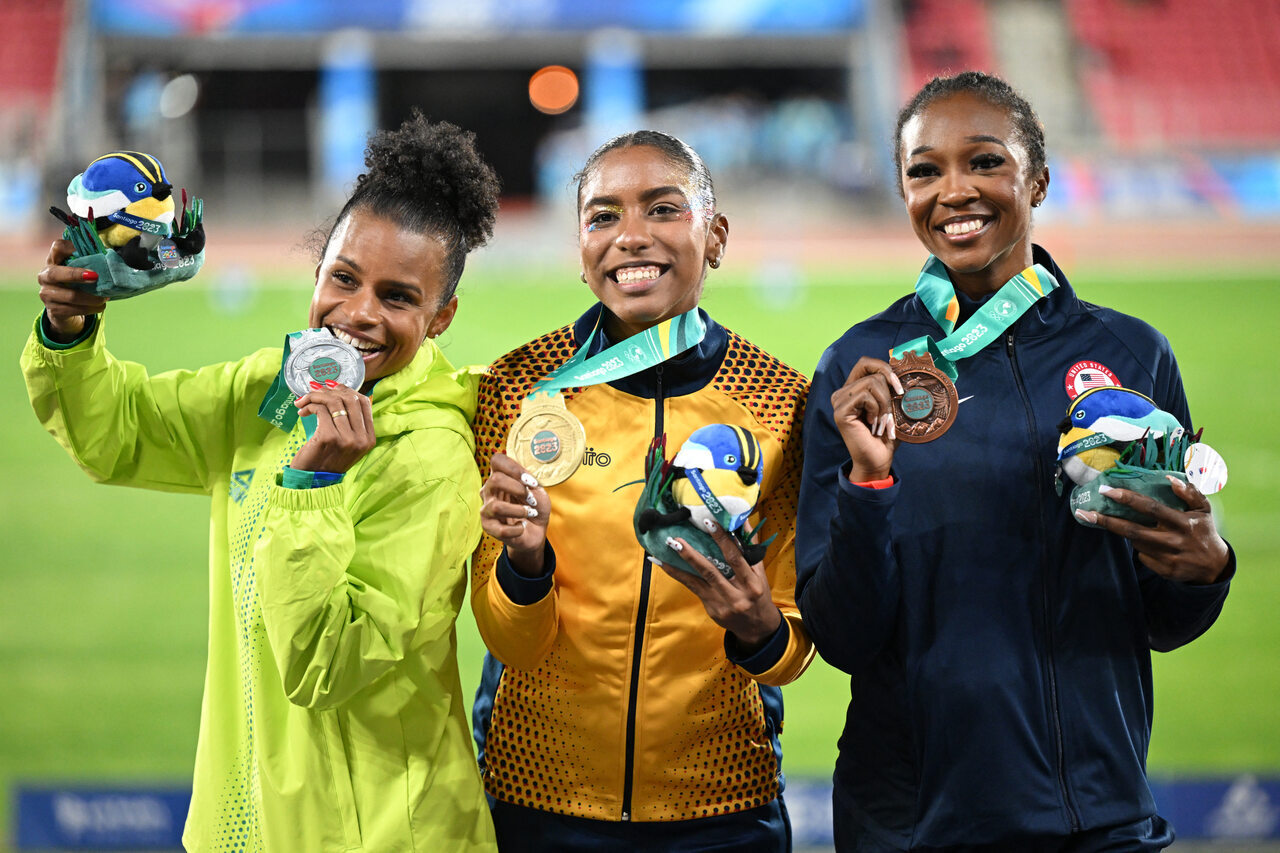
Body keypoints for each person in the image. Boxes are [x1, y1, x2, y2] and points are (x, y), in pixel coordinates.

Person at [23, 113, 502, 851]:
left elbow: (327, 665)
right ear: (316, 272)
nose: (359, 315)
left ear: (442, 318)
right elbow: (119, 435)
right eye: (343, 277)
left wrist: (311, 488)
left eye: (400, 297)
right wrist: (70, 330)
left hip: (378, 834)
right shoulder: (273, 390)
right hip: (247, 823)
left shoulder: (429, 458)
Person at [797, 71, 1234, 852]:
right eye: (924, 170)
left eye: (985, 162)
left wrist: (1202, 567)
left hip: (1096, 818)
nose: (953, 190)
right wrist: (867, 485)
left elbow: (1164, 620)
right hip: (910, 824)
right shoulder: (857, 371)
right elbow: (845, 637)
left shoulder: (1128, 355)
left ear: (1038, 178)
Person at [470, 130, 815, 852]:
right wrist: (524, 564)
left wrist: (758, 626)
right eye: (602, 217)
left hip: (722, 803)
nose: (630, 237)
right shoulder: (518, 389)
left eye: (662, 210)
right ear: (580, 246)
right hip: (538, 794)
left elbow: (791, 648)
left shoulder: (781, 401)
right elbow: (504, 636)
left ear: (714, 235)